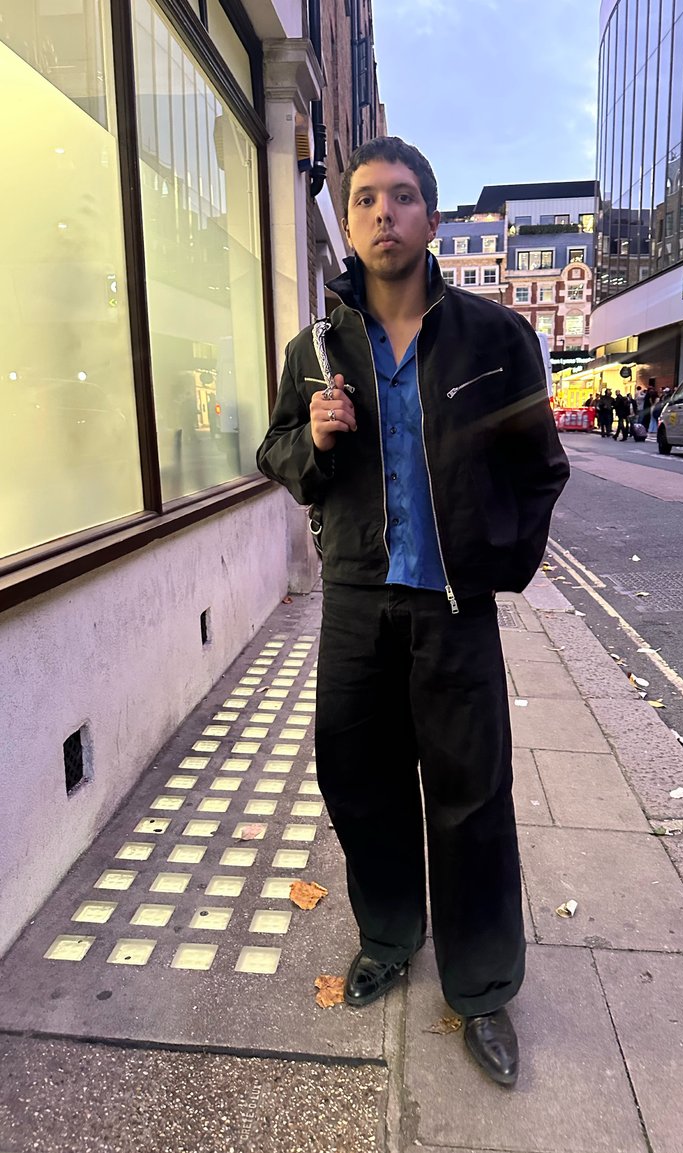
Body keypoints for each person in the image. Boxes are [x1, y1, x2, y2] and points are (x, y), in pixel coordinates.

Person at [257, 136, 569, 1087]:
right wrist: (311, 439)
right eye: (366, 200)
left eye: (402, 197)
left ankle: (480, 988)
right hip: (356, 601)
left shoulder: (494, 338)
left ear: (431, 218)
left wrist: (493, 565)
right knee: (360, 781)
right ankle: (391, 935)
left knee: (473, 799)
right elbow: (274, 454)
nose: (383, 212)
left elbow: (538, 467)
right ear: (347, 225)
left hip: (451, 609)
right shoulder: (316, 350)